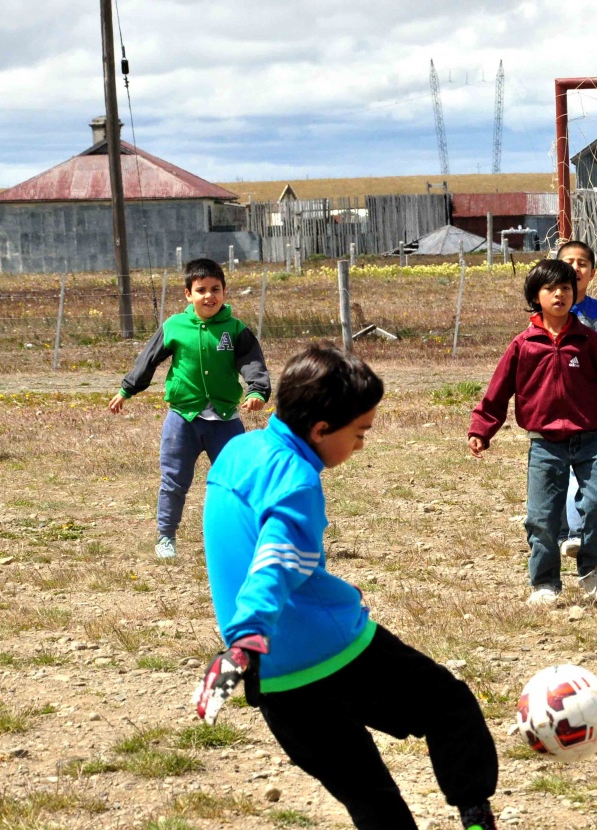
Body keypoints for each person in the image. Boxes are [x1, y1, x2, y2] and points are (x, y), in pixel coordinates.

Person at [193, 344, 499, 830]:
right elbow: (275, 560)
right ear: (320, 430)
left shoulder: (236, 451)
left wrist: (241, 649)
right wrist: (247, 637)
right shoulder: (297, 482)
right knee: (450, 706)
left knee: (370, 796)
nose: (361, 445)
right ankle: (477, 816)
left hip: (275, 681)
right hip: (335, 654)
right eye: (359, 433)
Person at [468, 260, 597, 606]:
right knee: (542, 516)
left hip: (590, 439)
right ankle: (545, 583)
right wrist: (482, 429)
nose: (560, 294)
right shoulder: (523, 345)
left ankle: (593, 571)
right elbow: (496, 392)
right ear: (536, 296)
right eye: (551, 288)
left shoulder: (589, 343)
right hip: (544, 444)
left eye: (566, 288)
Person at [107, 257, 269, 560]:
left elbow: (252, 364)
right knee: (174, 479)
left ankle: (244, 538)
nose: (209, 296)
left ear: (224, 291)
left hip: (225, 419)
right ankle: (166, 536)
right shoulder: (174, 327)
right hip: (183, 418)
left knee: (238, 480)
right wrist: (126, 389)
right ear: (188, 294)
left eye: (216, 289)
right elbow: (148, 359)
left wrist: (257, 390)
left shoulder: (235, 330)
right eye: (201, 290)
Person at [556, 240, 597, 561]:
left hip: (586, 402)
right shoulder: (548, 307)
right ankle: (560, 530)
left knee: (582, 469)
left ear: (592, 272)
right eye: (569, 262)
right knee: (556, 470)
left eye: (583, 263)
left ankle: (575, 532)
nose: (576, 268)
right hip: (554, 402)